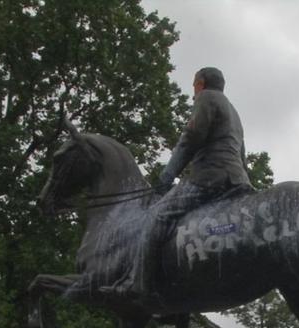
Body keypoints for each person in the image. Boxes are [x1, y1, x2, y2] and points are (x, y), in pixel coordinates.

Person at [101, 67, 254, 301]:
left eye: (194, 85)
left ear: (201, 83)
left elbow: (191, 139)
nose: (193, 91)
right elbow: (241, 155)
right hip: (236, 180)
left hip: (209, 177)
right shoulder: (234, 112)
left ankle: (138, 283)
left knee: (156, 216)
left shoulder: (206, 98)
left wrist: (167, 176)